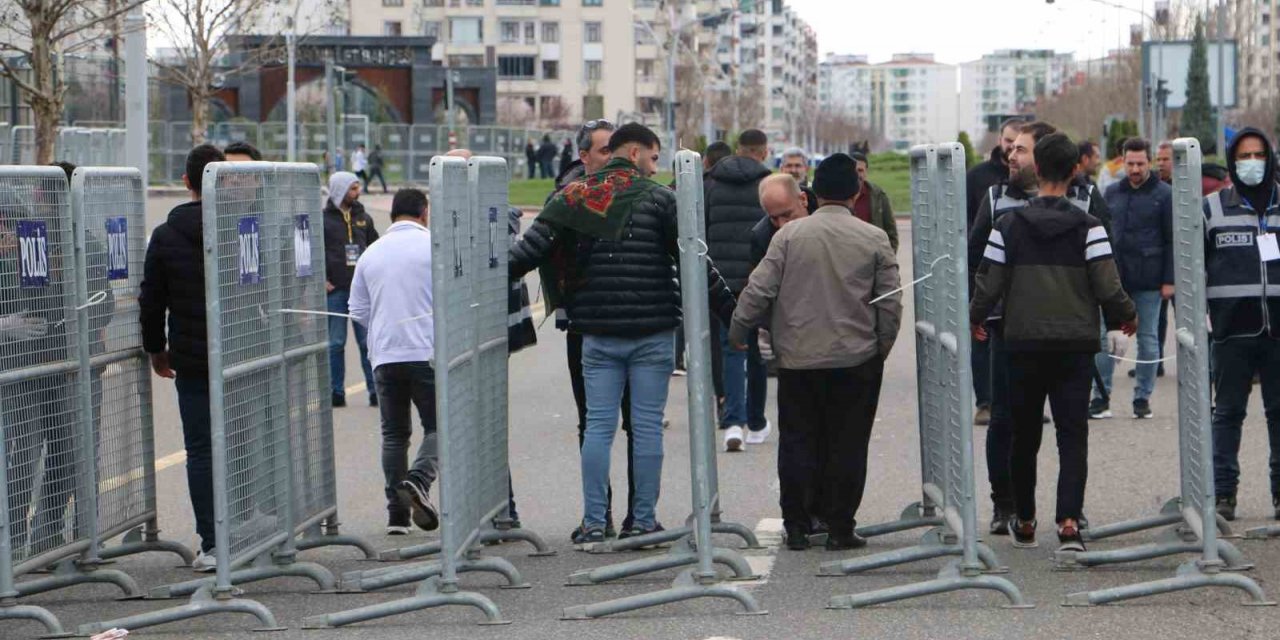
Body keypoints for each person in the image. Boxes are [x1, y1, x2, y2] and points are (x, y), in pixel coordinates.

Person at [509, 123, 737, 543]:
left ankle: (596, 523)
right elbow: (695, 263)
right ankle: (643, 521)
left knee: (598, 427)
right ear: (633, 153)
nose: (655, 166)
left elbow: (525, 255)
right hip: (652, 330)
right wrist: (735, 314)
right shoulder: (660, 199)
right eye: (653, 157)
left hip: (595, 332)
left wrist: (468, 279)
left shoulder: (574, 198)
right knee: (646, 427)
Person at [970, 132, 1136, 553]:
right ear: (1076, 170)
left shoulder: (1007, 225)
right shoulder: (1090, 226)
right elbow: (1107, 282)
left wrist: (976, 317)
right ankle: (1067, 521)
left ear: (1038, 170)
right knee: (1072, 434)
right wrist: (1125, 315)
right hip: (1074, 345)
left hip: (1021, 343)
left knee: (1023, 435)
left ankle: (1024, 518)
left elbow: (988, 280)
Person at [731, 153, 902, 551]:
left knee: (798, 441)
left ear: (815, 191)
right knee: (848, 443)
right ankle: (841, 526)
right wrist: (881, 347)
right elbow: (889, 303)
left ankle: (796, 525)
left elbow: (758, 290)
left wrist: (739, 330)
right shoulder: (873, 238)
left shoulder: (788, 237)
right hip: (855, 358)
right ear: (856, 190)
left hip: (797, 359)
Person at [140, 144, 227, 571]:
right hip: (241, 353)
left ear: (186, 182)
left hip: (191, 359)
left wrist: (157, 350)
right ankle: (250, 530)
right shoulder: (239, 228)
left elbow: (151, 300)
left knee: (201, 449)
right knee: (246, 441)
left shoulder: (166, 234)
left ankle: (212, 542)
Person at [347, 188, 438, 535]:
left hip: (385, 355)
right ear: (424, 212)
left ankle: (397, 515)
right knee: (439, 426)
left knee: (394, 434)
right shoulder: (433, 249)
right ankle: (418, 480)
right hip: (426, 352)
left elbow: (357, 311)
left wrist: (385, 326)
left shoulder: (371, 254)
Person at [1206, 127, 1280, 522]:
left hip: (1278, 331)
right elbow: (1193, 265)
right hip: (1232, 329)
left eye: (1258, 155)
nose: (1252, 163)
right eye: (1244, 156)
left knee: (1279, 414)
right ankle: (1223, 495)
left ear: (1270, 158)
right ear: (1233, 161)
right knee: (1228, 413)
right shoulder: (1213, 207)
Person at [1090, 138, 1173, 420]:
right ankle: (1101, 397)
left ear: (1148, 162)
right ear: (1122, 162)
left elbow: (1172, 240)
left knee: (1148, 340)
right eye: (1130, 163)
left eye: (1140, 163)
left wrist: (1169, 280)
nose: (1135, 169)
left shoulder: (1164, 195)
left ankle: (1142, 398)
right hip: (1114, 282)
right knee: (1103, 340)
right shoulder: (1111, 193)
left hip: (1150, 282)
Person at [706, 129, 774, 451]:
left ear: (737, 149)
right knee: (757, 351)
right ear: (763, 152)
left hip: (720, 280)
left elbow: (700, 231)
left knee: (730, 347)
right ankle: (756, 422)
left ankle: (732, 421)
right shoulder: (769, 185)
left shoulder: (711, 184)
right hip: (757, 278)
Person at [966, 117, 1025, 426]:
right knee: (983, 342)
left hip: (1024, 286)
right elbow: (967, 229)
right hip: (987, 276)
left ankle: (1025, 401)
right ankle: (985, 403)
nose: (1012, 150)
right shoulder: (978, 178)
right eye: (1008, 142)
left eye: (1019, 145)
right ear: (1000, 141)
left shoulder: (1035, 182)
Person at [323, 171, 379, 408]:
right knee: (335, 343)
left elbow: (377, 248)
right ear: (339, 190)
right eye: (353, 188)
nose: (358, 192)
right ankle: (336, 392)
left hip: (362, 291)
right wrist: (322, 279)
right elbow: (314, 253)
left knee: (367, 343)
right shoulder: (323, 220)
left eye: (358, 187)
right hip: (335, 290)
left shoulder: (363, 218)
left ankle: (375, 390)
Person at [851, 152, 899, 252]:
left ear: (866, 172)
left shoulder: (879, 196)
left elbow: (891, 234)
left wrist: (887, 262)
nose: (857, 174)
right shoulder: (837, 197)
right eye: (853, 171)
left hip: (873, 261)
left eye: (860, 170)